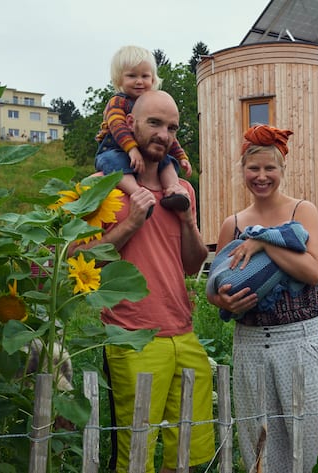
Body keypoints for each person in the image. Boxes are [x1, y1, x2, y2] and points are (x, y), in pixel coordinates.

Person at [73, 90, 213, 473]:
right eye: (154, 123)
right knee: (135, 453)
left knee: (187, 447)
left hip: (183, 331)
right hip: (129, 333)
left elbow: (192, 265)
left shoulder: (182, 191)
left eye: (171, 128)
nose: (164, 134)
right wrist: (132, 222)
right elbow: (75, 260)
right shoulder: (98, 187)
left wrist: (186, 221)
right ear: (129, 125)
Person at [206, 125, 318, 473]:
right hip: (248, 343)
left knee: (309, 446)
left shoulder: (302, 212)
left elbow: (313, 271)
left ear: (282, 170)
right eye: (253, 169)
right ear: (243, 170)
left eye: (269, 169)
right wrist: (224, 303)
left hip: (300, 341)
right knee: (258, 445)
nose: (261, 177)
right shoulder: (232, 223)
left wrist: (264, 243)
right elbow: (216, 284)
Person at [94, 45, 192, 218]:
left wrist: (181, 156)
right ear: (119, 80)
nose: (139, 81)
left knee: (167, 161)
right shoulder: (118, 102)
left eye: (145, 76)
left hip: (142, 150)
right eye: (132, 76)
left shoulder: (153, 104)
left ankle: (173, 190)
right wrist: (132, 149)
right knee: (115, 162)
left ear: (153, 79)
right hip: (115, 149)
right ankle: (138, 194)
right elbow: (117, 125)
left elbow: (167, 135)